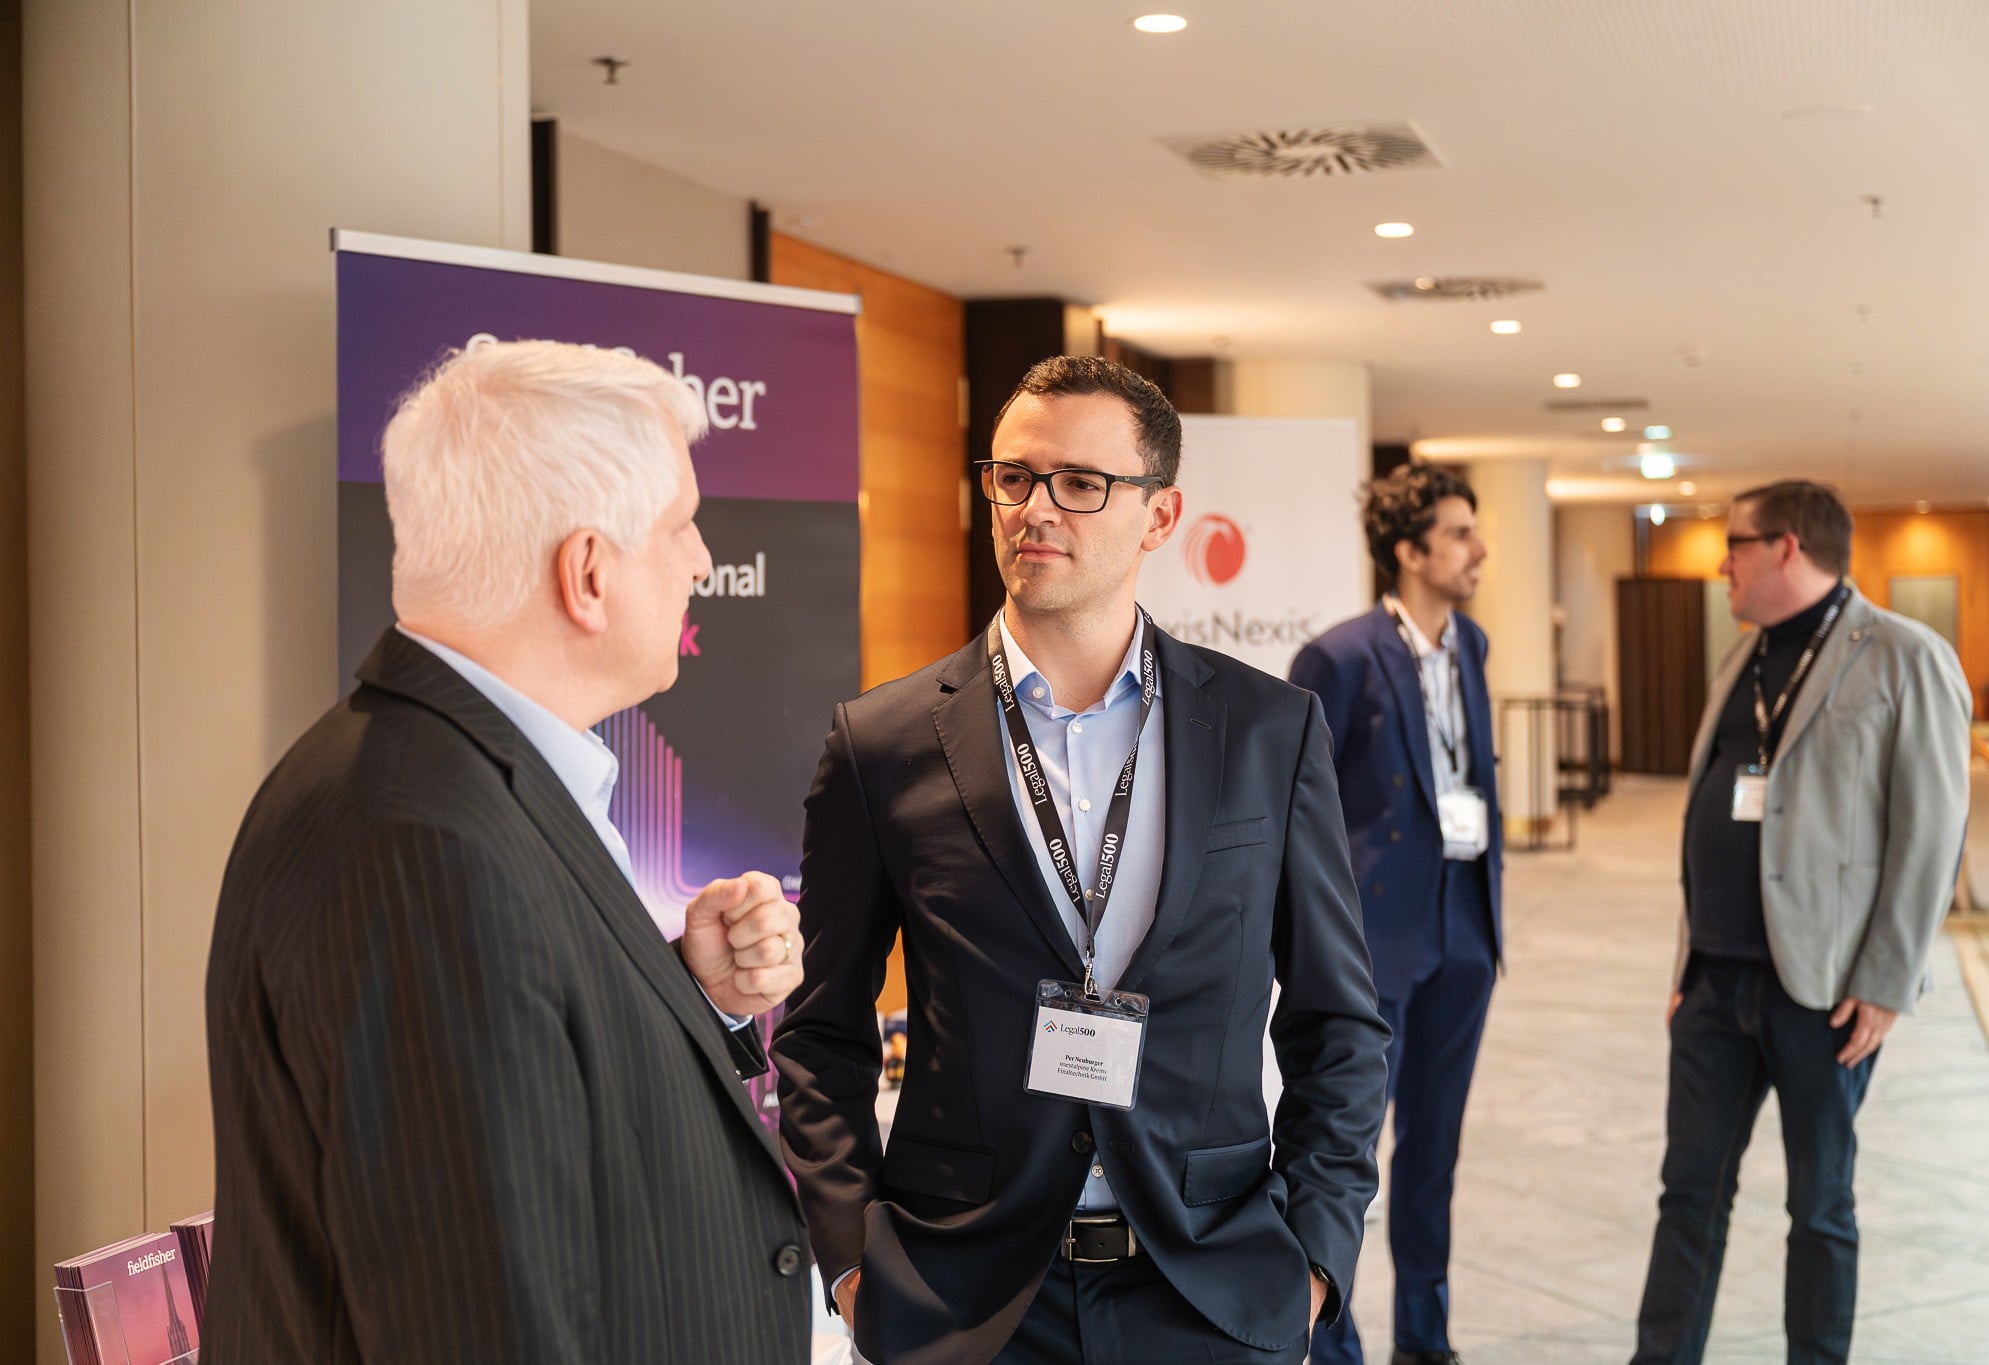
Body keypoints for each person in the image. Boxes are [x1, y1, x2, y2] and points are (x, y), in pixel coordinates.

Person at [773, 356, 1390, 1365]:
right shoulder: (881, 742)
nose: (1035, 509)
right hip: (964, 1303)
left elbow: (1339, 1021)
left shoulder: (1267, 732)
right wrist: (851, 1260)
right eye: (1013, 477)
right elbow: (820, 1030)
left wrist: (1313, 1259)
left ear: (1159, 515)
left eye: (1080, 483)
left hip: (1208, 1292)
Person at [206, 340, 811, 1364]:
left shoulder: (443, 778)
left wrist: (689, 996)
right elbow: (479, 1318)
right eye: (680, 526)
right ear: (588, 573)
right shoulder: (422, 851)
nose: (703, 560)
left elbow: (538, 1091)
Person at [1631, 480, 1970, 1365]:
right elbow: (1710, 809)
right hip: (1714, 983)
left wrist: (1887, 980)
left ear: (1787, 546)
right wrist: (1686, 963)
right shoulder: (1739, 658)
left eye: (1734, 545)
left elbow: (1931, 833)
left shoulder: (1905, 656)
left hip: (1825, 994)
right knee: (1688, 1195)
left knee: (1819, 1205)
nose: (1722, 564)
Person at [1287, 464, 1504, 1365]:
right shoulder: (1338, 657)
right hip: (1372, 944)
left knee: (1434, 1149)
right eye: (1459, 532)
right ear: (1410, 551)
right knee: (1341, 1154)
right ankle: (1332, 1347)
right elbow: (1303, 811)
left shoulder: (1472, 645)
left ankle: (1426, 1335)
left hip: (1466, 926)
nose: (1478, 548)